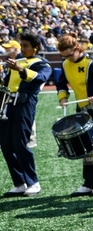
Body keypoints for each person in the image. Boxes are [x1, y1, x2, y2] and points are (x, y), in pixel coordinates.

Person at [56, 33, 93, 196]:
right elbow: (61, 84)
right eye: (64, 56)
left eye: (69, 55)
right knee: (87, 147)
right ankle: (88, 182)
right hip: (82, 111)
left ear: (77, 49)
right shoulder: (66, 64)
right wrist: (63, 97)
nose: (67, 59)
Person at [1, 32, 52, 197]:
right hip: (8, 104)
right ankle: (20, 183)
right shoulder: (17, 62)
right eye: (22, 45)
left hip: (25, 104)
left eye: (26, 46)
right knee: (6, 144)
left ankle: (33, 182)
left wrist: (20, 69)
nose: (22, 49)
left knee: (20, 144)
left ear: (35, 48)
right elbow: (7, 83)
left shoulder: (42, 63)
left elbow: (40, 78)